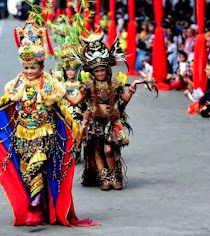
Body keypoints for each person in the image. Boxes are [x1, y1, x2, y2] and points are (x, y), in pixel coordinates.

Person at [0, 16, 97, 227]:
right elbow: (2, 103)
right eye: (26, 67)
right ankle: (37, 205)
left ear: (41, 65)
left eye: (33, 67)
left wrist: (78, 119)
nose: (29, 72)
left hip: (44, 135)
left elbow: (64, 105)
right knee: (26, 171)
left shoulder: (50, 83)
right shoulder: (19, 82)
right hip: (22, 135)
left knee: (37, 167)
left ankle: (34, 207)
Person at [64, 33, 149, 191]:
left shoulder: (115, 83)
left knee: (109, 150)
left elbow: (123, 99)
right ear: (92, 72)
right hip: (94, 122)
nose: (100, 73)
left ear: (107, 70)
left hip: (110, 121)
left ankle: (114, 175)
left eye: (102, 70)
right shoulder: (87, 86)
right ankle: (104, 179)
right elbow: (75, 101)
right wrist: (60, 93)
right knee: (97, 149)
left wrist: (132, 88)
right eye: (96, 71)